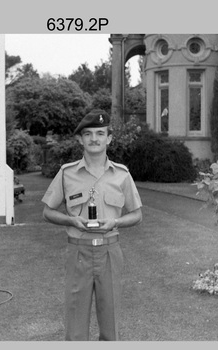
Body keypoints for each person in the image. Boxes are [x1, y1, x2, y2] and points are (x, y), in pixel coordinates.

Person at [42, 109, 143, 341]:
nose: (94, 139)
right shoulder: (67, 173)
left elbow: (137, 215)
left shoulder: (122, 175)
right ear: (81, 139)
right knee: (75, 325)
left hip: (109, 251)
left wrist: (115, 222)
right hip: (78, 251)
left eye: (100, 133)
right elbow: (47, 211)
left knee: (111, 323)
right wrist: (71, 220)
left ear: (109, 138)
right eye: (88, 134)